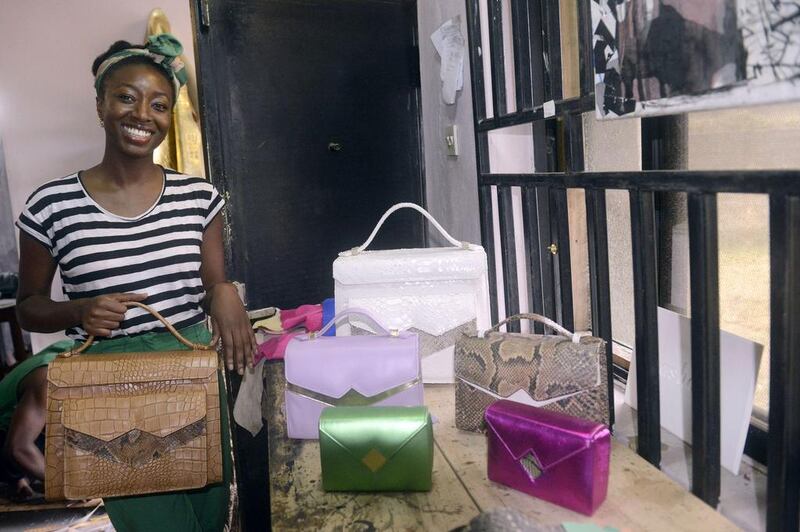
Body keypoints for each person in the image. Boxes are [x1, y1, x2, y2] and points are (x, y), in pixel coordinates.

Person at [14, 33, 255, 532]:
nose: (142, 113)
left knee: (209, 518)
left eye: (159, 104)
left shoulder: (198, 197)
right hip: (108, 392)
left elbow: (212, 284)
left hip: (190, 376)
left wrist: (225, 292)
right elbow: (27, 307)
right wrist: (76, 311)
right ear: (101, 105)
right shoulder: (50, 205)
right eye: (126, 96)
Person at [0, 341, 71, 498]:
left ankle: (24, 476)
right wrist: (67, 487)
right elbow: (19, 448)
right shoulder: (50, 379)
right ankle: (17, 476)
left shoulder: (72, 346)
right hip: (10, 439)